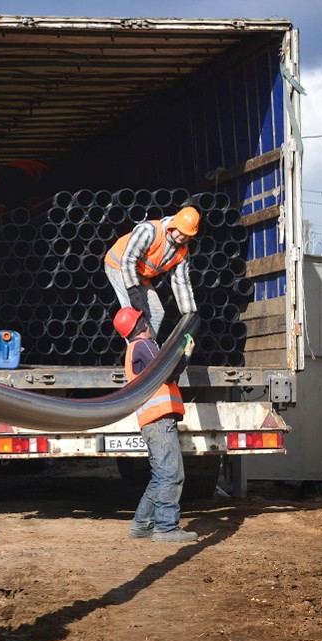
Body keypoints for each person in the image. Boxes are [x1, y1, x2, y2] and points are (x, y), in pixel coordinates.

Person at [112, 306, 198, 543]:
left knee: (161, 476)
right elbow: (168, 374)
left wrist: (180, 358)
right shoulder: (144, 346)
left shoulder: (133, 350)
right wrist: (186, 354)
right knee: (172, 473)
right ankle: (166, 528)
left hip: (152, 420)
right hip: (159, 419)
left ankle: (141, 525)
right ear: (141, 325)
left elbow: (166, 375)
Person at [104, 206, 200, 339]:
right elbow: (128, 260)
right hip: (118, 265)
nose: (182, 236)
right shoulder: (149, 231)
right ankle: (136, 354)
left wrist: (189, 314)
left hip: (139, 274)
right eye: (180, 230)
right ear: (173, 224)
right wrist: (133, 291)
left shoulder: (182, 253)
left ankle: (148, 351)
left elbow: (181, 283)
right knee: (134, 317)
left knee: (156, 313)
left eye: (187, 234)